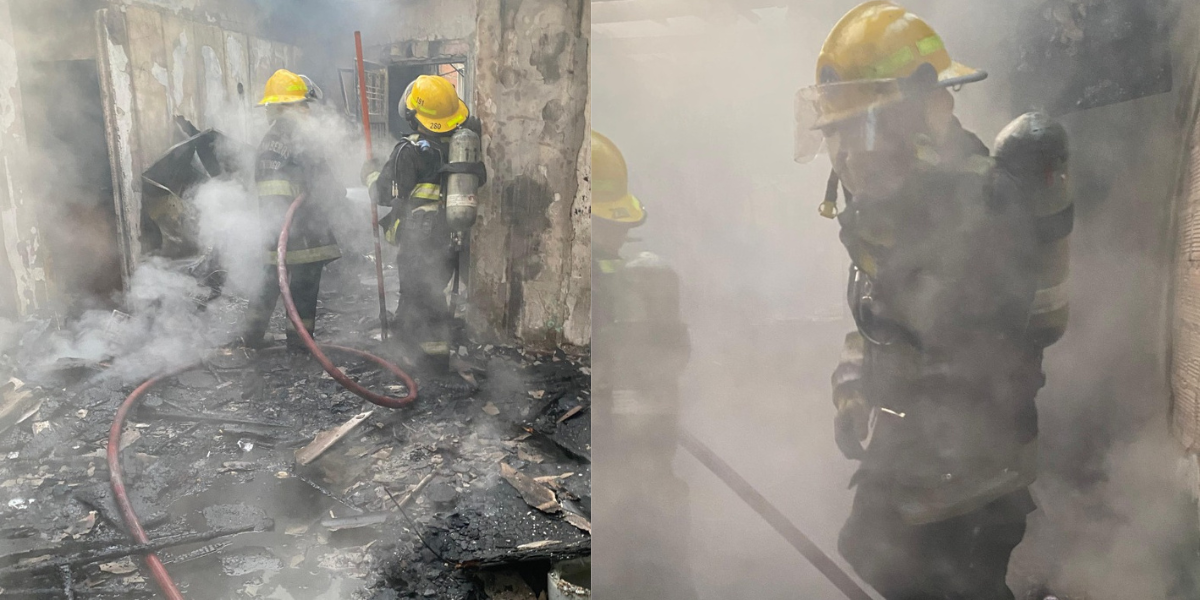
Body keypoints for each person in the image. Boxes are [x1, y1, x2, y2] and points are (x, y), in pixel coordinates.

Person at [798, 2, 1072, 598]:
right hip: (915, 458)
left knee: (943, 582)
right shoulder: (890, 210)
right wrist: (852, 390)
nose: (850, 154)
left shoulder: (982, 207)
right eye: (841, 133)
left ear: (931, 111)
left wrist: (917, 447)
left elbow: (971, 349)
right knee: (869, 552)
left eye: (866, 128)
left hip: (971, 471)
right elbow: (874, 320)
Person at [590, 130, 699, 600]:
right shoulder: (632, 281)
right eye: (612, 223)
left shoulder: (621, 283)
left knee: (639, 558)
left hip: (630, 469)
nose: (620, 235)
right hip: (648, 468)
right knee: (656, 561)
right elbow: (674, 358)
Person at [363, 74, 481, 370]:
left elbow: (383, 194)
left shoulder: (410, 151)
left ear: (415, 115)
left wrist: (370, 174)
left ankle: (434, 359)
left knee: (423, 295)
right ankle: (409, 345)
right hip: (451, 236)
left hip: (419, 239)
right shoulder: (461, 147)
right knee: (425, 291)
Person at [243, 69, 344, 350]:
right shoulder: (302, 139)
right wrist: (339, 194)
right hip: (304, 231)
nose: (308, 111)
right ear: (293, 106)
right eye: (304, 105)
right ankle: (300, 344)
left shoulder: (268, 140)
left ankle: (251, 337)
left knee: (269, 281)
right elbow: (324, 184)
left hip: (273, 227)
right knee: (303, 288)